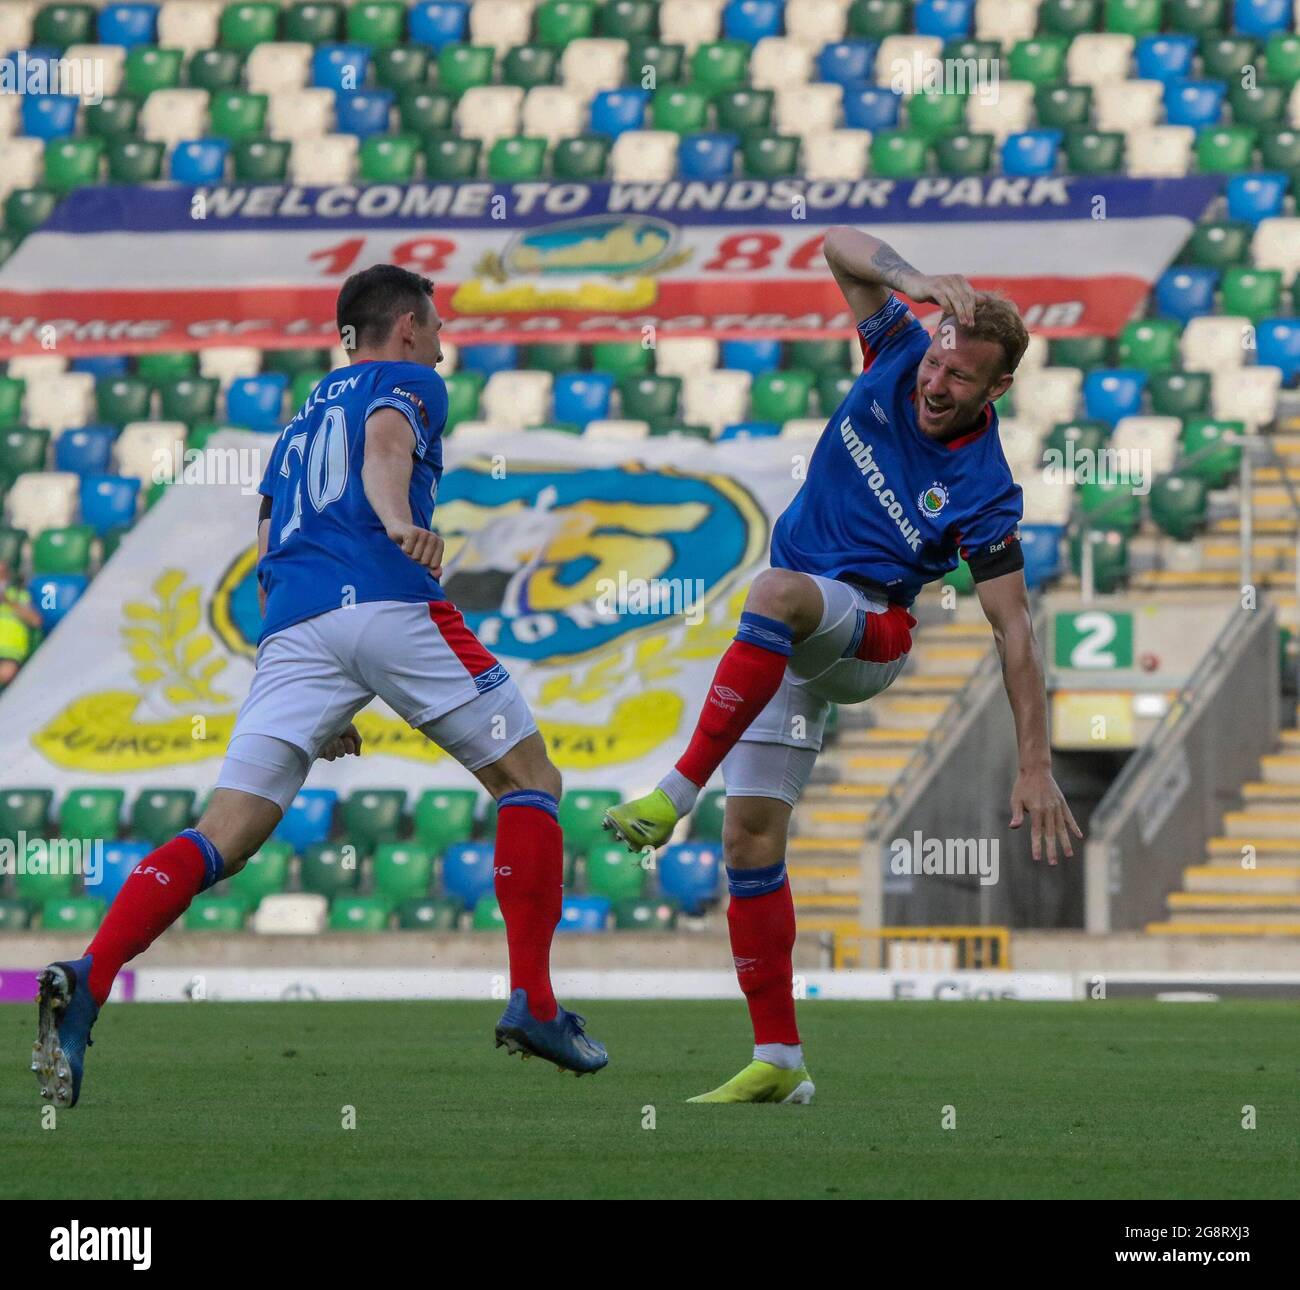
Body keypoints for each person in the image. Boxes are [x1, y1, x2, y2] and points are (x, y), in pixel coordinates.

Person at [32, 264, 607, 1109]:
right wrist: (399, 521)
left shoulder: (296, 427)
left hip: (294, 628)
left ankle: (90, 974)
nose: (445, 342)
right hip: (387, 598)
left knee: (221, 833)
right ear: (406, 326)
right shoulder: (406, 382)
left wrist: (320, 686)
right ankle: (535, 1003)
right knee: (531, 781)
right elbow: (385, 448)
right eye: (437, 323)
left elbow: (268, 540)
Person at [605, 226, 1082, 1104]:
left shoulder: (984, 489)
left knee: (775, 589)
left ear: (999, 388)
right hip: (790, 637)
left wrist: (1036, 764)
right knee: (749, 842)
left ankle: (671, 790)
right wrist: (913, 280)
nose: (937, 384)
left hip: (871, 636)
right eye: (938, 364)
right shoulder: (899, 347)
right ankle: (779, 1063)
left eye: (961, 378)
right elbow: (837, 244)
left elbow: (1014, 630)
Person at [0, 559, 42, 689]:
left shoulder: (20, 595)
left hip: (10, 654)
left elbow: (36, 620)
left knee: (5, 673)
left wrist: (8, 602)